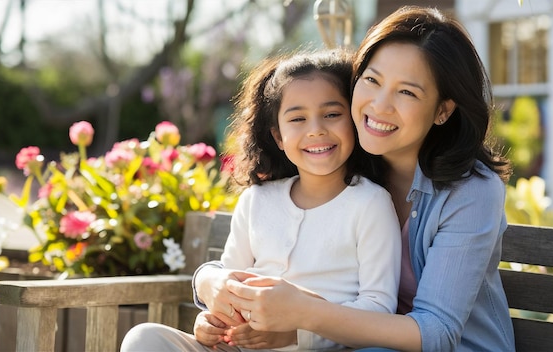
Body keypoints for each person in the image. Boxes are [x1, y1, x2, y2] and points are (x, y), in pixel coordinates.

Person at [192, 5, 515, 352]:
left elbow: (437, 333)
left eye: (406, 92)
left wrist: (303, 316)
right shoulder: (343, 158)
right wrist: (208, 282)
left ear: (442, 110)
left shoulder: (471, 191)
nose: (379, 105)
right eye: (372, 80)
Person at [120, 48, 401, 351]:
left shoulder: (370, 204)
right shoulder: (257, 200)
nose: (316, 130)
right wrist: (210, 322)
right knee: (144, 338)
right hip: (238, 346)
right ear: (278, 137)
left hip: (318, 347)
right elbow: (227, 285)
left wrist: (298, 334)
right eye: (297, 118)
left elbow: (378, 309)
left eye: (332, 114)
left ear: (355, 121)